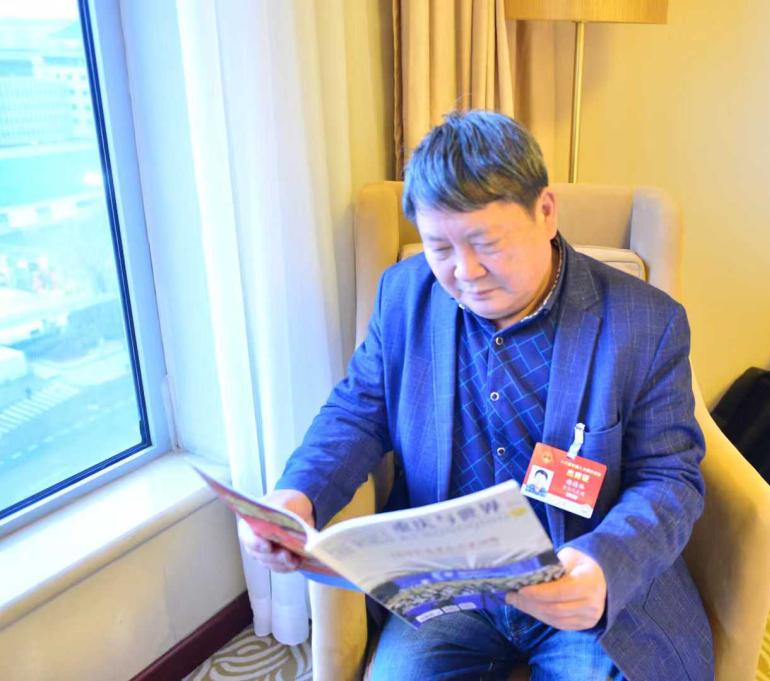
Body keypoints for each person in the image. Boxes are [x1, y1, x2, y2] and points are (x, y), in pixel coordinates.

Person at [240, 110, 712, 680]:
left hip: (575, 574)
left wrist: (602, 566)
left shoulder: (645, 322)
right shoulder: (403, 295)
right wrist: (298, 494)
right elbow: (360, 410)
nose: (465, 272)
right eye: (439, 247)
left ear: (546, 212)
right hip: (449, 583)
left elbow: (670, 477)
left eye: (487, 243)